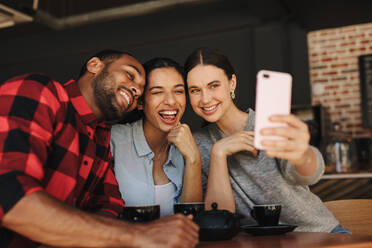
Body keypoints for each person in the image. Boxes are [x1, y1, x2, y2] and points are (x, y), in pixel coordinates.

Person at [0, 50, 199, 248]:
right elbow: (10, 196)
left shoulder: (100, 140)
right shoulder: (41, 90)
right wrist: (138, 235)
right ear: (94, 65)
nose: (135, 90)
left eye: (140, 89)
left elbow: (109, 208)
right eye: (130, 75)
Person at [183, 47, 349, 233]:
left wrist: (303, 155)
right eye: (195, 90)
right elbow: (221, 218)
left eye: (214, 86)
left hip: (319, 235)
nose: (205, 99)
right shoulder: (198, 144)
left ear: (232, 83)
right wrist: (218, 153)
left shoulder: (268, 124)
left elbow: (309, 175)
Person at [111, 57, 202, 217]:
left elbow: (190, 221)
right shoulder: (113, 140)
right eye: (158, 92)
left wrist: (193, 159)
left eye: (178, 91)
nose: (171, 101)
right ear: (140, 102)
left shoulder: (188, 146)